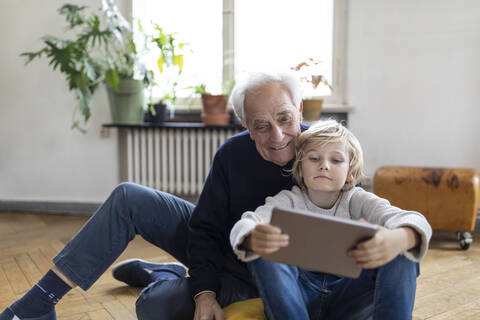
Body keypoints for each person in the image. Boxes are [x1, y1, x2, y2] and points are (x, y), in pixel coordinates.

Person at [0, 71, 307, 320]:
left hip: (265, 284)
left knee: (154, 306)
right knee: (128, 196)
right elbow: (205, 230)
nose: (277, 136)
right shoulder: (232, 153)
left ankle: (161, 274)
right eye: (261, 126)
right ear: (246, 127)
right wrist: (204, 293)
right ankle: (40, 303)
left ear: (300, 110)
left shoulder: (329, 152)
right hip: (221, 252)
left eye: (284, 118)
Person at [230, 120, 432, 320]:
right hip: (297, 296)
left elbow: (414, 220)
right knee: (263, 246)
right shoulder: (288, 200)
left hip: (350, 295)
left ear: (350, 173)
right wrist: (252, 237)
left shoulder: (357, 199)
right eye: (314, 158)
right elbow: (247, 222)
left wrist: (399, 239)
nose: (324, 166)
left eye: (336, 160)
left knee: (403, 250)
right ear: (301, 167)